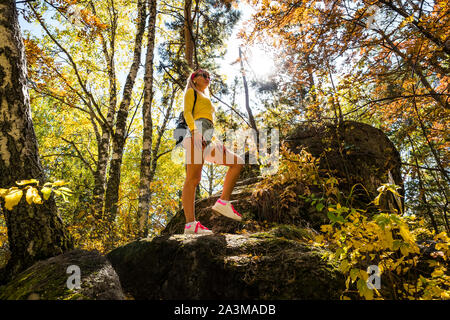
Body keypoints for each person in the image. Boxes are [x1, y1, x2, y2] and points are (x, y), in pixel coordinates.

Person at [182, 68, 244, 235]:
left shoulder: (205, 97)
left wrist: (216, 142)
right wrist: (195, 132)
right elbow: (187, 112)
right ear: (194, 78)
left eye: (209, 76)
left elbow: (208, 123)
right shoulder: (191, 92)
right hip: (196, 134)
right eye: (204, 75)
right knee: (193, 179)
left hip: (207, 137)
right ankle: (190, 225)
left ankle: (223, 202)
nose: (208, 78)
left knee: (237, 162)